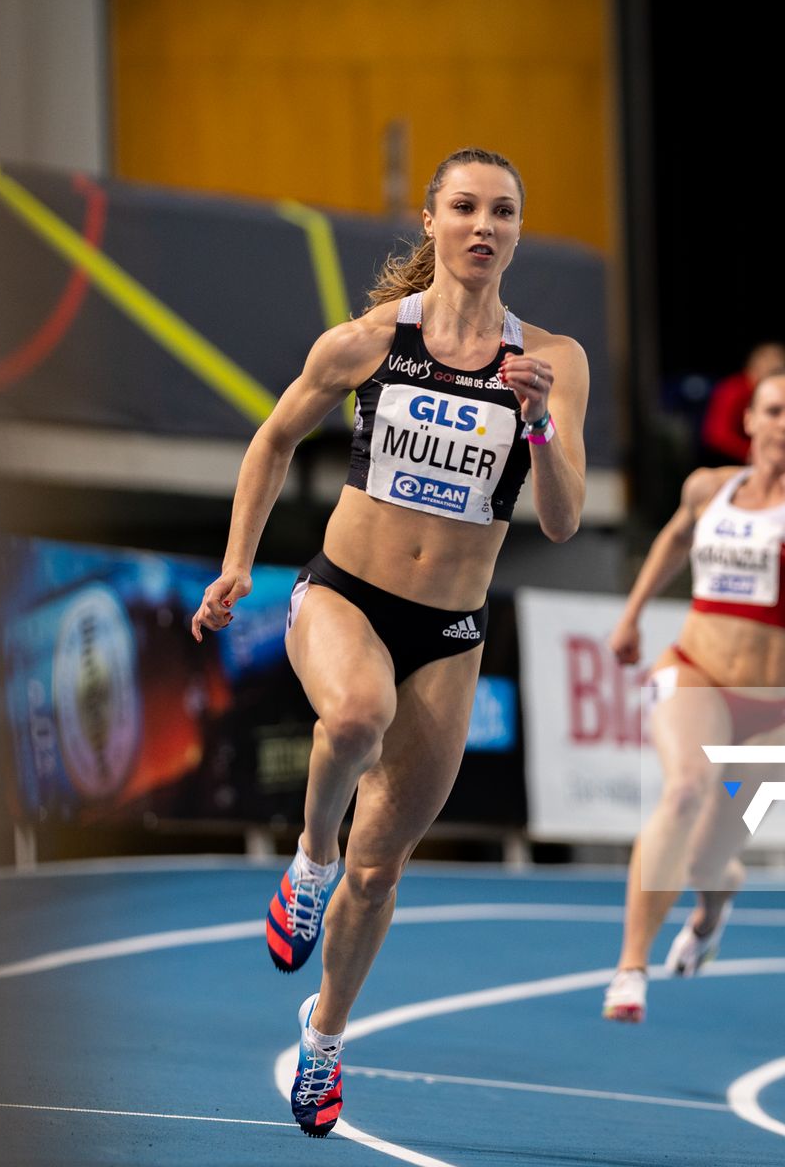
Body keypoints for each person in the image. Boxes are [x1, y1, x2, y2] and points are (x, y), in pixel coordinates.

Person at [190, 148, 589, 1137]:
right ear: (433, 220)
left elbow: (565, 520)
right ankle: (306, 864)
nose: (482, 224)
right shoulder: (369, 341)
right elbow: (275, 435)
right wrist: (239, 560)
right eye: (464, 207)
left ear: (517, 232)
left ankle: (323, 1036)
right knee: (357, 714)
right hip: (346, 595)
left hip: (451, 631)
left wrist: (536, 421)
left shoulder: (553, 359)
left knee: (384, 871)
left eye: (503, 209)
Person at [600, 367, 785, 1024]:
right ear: (749, 420)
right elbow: (675, 537)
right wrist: (632, 614)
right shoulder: (709, 487)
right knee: (686, 787)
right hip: (696, 672)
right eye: (773, 411)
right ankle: (630, 968)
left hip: (773, 710)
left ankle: (715, 905)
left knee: (709, 859)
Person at [701, 342, 785, 464]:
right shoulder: (733, 389)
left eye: (781, 365)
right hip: (726, 460)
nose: (776, 368)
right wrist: (752, 452)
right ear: (755, 363)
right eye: (771, 362)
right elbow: (717, 435)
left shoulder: (780, 394)